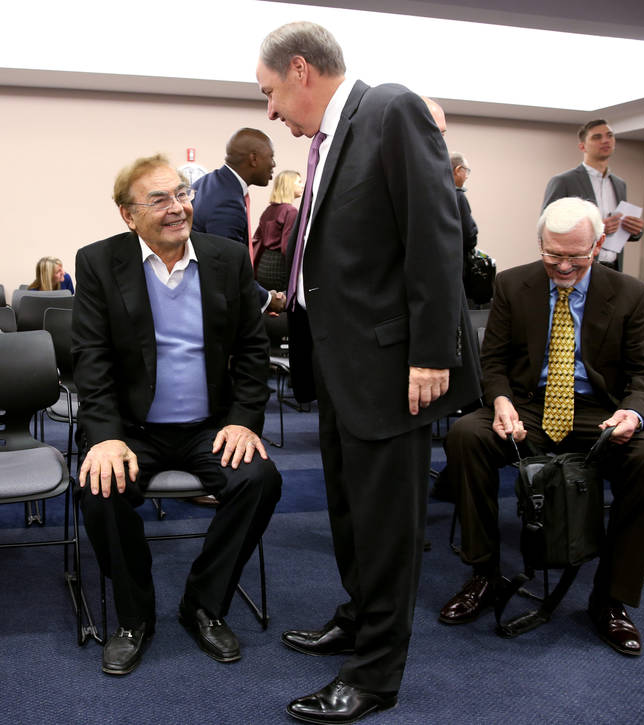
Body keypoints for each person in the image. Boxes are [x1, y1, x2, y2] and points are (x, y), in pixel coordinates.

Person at [256, 21, 480, 724]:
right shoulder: (330, 139)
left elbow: (435, 232)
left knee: (387, 526)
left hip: (394, 367)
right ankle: (358, 618)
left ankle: (376, 674)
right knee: (351, 515)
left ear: (300, 71)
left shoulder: (391, 108)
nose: (269, 111)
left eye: (268, 93)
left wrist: (432, 351)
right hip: (340, 367)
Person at [72, 154, 282, 677]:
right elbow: (91, 360)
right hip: (131, 429)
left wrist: (242, 421)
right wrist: (104, 436)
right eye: (159, 199)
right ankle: (134, 619)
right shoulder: (99, 262)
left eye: (182, 195)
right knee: (101, 489)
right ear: (128, 215)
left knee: (259, 479)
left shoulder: (228, 258)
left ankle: (203, 605)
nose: (177, 208)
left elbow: (253, 352)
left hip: (208, 427)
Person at [438, 197, 644, 656]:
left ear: (599, 245)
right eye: (553, 254)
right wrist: (501, 399)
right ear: (540, 243)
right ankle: (484, 575)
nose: (563, 266)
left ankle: (610, 599)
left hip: (598, 410)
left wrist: (635, 413)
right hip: (528, 405)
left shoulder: (631, 294)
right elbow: (495, 361)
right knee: (466, 436)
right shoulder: (513, 284)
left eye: (575, 256)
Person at [192, 128, 286, 313]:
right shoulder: (226, 202)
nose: (273, 164)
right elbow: (227, 269)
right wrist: (267, 300)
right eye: (271, 157)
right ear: (254, 159)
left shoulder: (209, 183)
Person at [542, 119, 644, 271]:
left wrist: (636, 230)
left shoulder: (619, 184)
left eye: (609, 135)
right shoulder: (564, 181)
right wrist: (596, 229)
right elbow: (546, 227)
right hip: (576, 267)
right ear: (582, 146)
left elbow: (619, 231)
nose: (605, 140)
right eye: (597, 137)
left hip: (613, 267)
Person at [252, 170, 302, 292]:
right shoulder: (291, 211)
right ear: (289, 185)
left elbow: (257, 238)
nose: (302, 185)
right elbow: (287, 247)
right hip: (279, 267)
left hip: (264, 265)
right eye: (299, 182)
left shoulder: (269, 209)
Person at [451, 151, 478, 259]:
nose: (466, 177)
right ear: (457, 170)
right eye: (466, 171)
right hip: (457, 260)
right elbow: (468, 236)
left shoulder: (436, 193)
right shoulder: (458, 196)